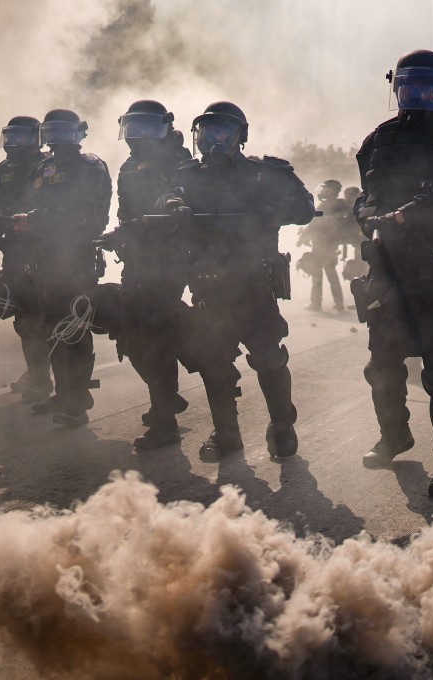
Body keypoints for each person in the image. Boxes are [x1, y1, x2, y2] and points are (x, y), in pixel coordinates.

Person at [353, 49, 433, 498]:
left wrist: (408, 214)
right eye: (409, 87)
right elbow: (364, 193)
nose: (418, 95)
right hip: (387, 271)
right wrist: (367, 216)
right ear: (397, 88)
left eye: (428, 87)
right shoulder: (379, 138)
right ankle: (396, 437)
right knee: (381, 367)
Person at [159, 101, 315, 459]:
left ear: (239, 136)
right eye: (207, 131)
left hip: (254, 285)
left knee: (267, 357)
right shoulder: (188, 174)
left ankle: (282, 425)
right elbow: (168, 193)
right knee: (214, 363)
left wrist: (271, 210)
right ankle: (226, 434)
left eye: (222, 131)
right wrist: (172, 205)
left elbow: (304, 206)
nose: (213, 138)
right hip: (207, 285)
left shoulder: (264, 173)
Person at [13, 109, 111, 426]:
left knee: (74, 327)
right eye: (51, 132)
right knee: (50, 328)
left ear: (79, 133)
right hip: (45, 259)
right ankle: (63, 392)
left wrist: (36, 220)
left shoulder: (89, 167)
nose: (57, 139)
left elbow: (82, 212)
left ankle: (78, 401)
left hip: (76, 258)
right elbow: (26, 204)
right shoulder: (42, 167)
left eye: (64, 131)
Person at [105, 100, 192, 450]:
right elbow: (127, 214)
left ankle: (165, 421)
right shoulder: (128, 166)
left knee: (156, 340)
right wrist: (119, 236)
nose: (138, 136)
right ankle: (167, 398)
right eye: (133, 128)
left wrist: (139, 230)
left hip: (167, 263)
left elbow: (179, 211)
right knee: (128, 334)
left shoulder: (180, 162)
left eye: (147, 128)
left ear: (165, 127)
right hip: (136, 261)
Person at [0, 116, 54, 402]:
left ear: (37, 138)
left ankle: (49, 379)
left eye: (23, 138)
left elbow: (56, 208)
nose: (15, 144)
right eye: (11, 137)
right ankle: (37, 373)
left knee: (48, 315)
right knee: (25, 318)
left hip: (45, 251)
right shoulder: (2, 170)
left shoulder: (49, 166)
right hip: (14, 251)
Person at [298, 179, 346, 312]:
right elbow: (315, 223)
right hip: (325, 245)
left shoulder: (334, 205)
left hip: (325, 246)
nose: (323, 191)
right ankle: (335, 304)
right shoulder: (332, 204)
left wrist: (305, 236)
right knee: (327, 275)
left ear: (332, 191)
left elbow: (317, 223)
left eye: (326, 188)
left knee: (321, 275)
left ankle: (317, 304)